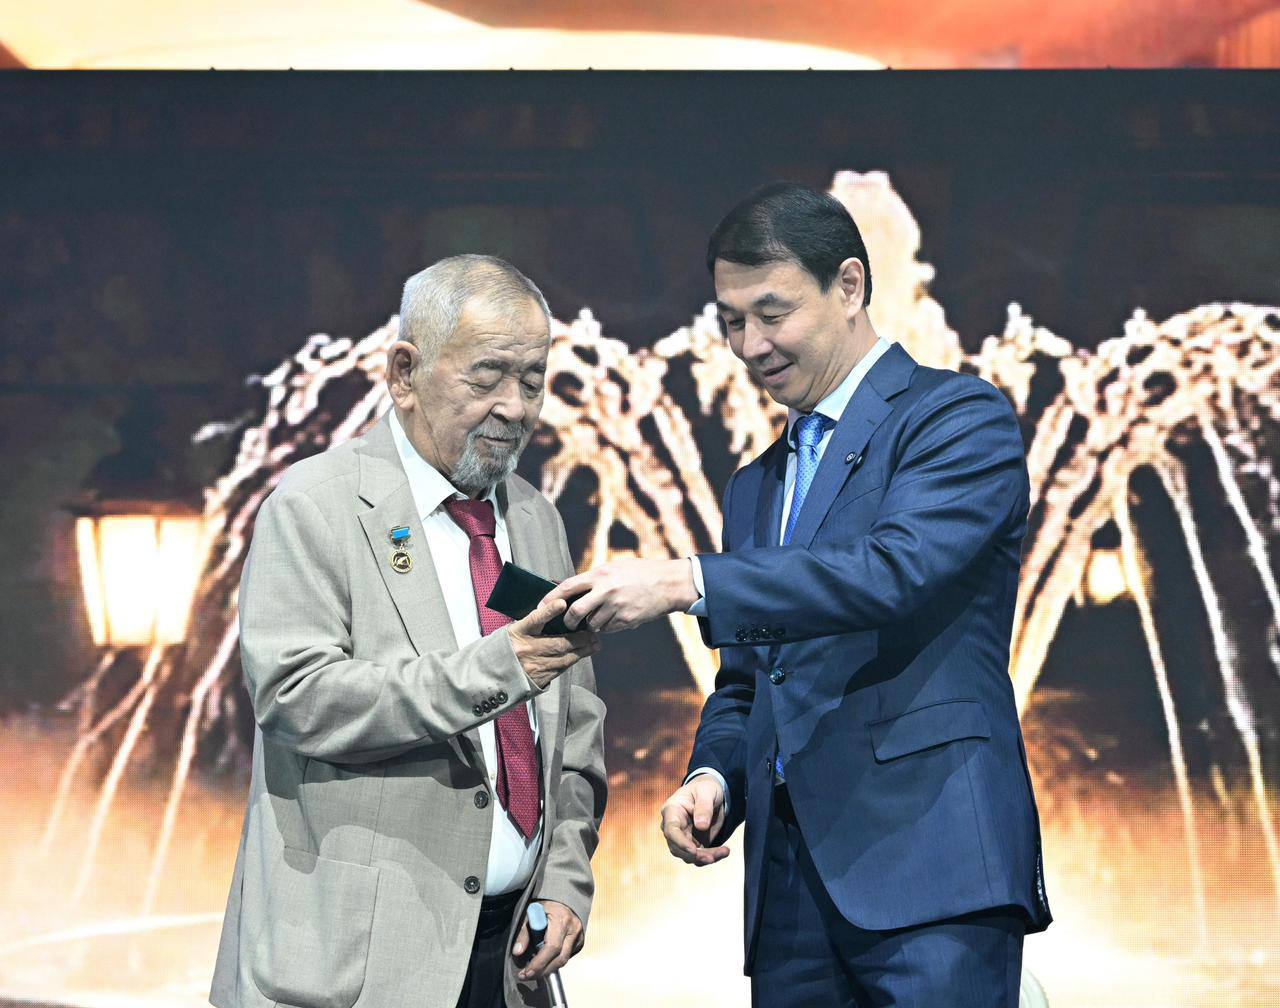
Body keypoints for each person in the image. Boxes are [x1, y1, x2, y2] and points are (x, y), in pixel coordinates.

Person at [550, 183, 1051, 1005]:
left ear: (849, 286)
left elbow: (891, 571)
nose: (750, 345)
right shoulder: (757, 484)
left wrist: (686, 580)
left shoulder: (956, 417)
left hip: (933, 869)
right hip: (788, 892)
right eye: (731, 321)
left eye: (772, 313)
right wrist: (715, 775)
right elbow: (750, 681)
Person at [211, 254, 608, 1008]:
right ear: (404, 373)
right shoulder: (315, 505)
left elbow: (575, 725)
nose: (516, 408)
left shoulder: (535, 518)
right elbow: (298, 697)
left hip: (510, 963)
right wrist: (501, 669)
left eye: (532, 381)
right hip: (358, 970)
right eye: (487, 377)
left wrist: (564, 879)